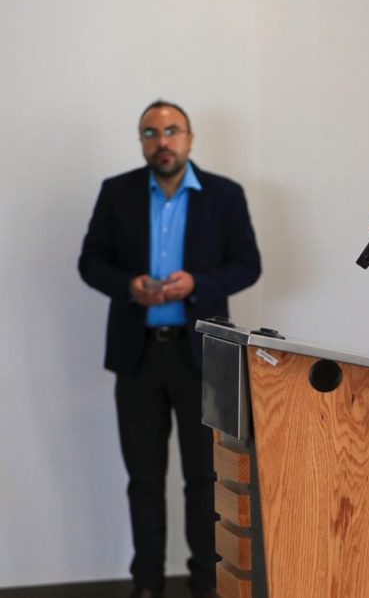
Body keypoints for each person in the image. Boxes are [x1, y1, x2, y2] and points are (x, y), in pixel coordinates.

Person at [78, 100, 261, 598]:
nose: (162, 141)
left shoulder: (224, 195)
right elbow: (90, 262)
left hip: (200, 357)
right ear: (141, 141)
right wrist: (128, 286)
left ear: (190, 138)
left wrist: (197, 284)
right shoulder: (116, 193)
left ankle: (206, 584)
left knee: (205, 478)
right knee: (143, 479)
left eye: (172, 131)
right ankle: (147, 585)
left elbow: (248, 264)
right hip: (137, 356)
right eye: (150, 133)